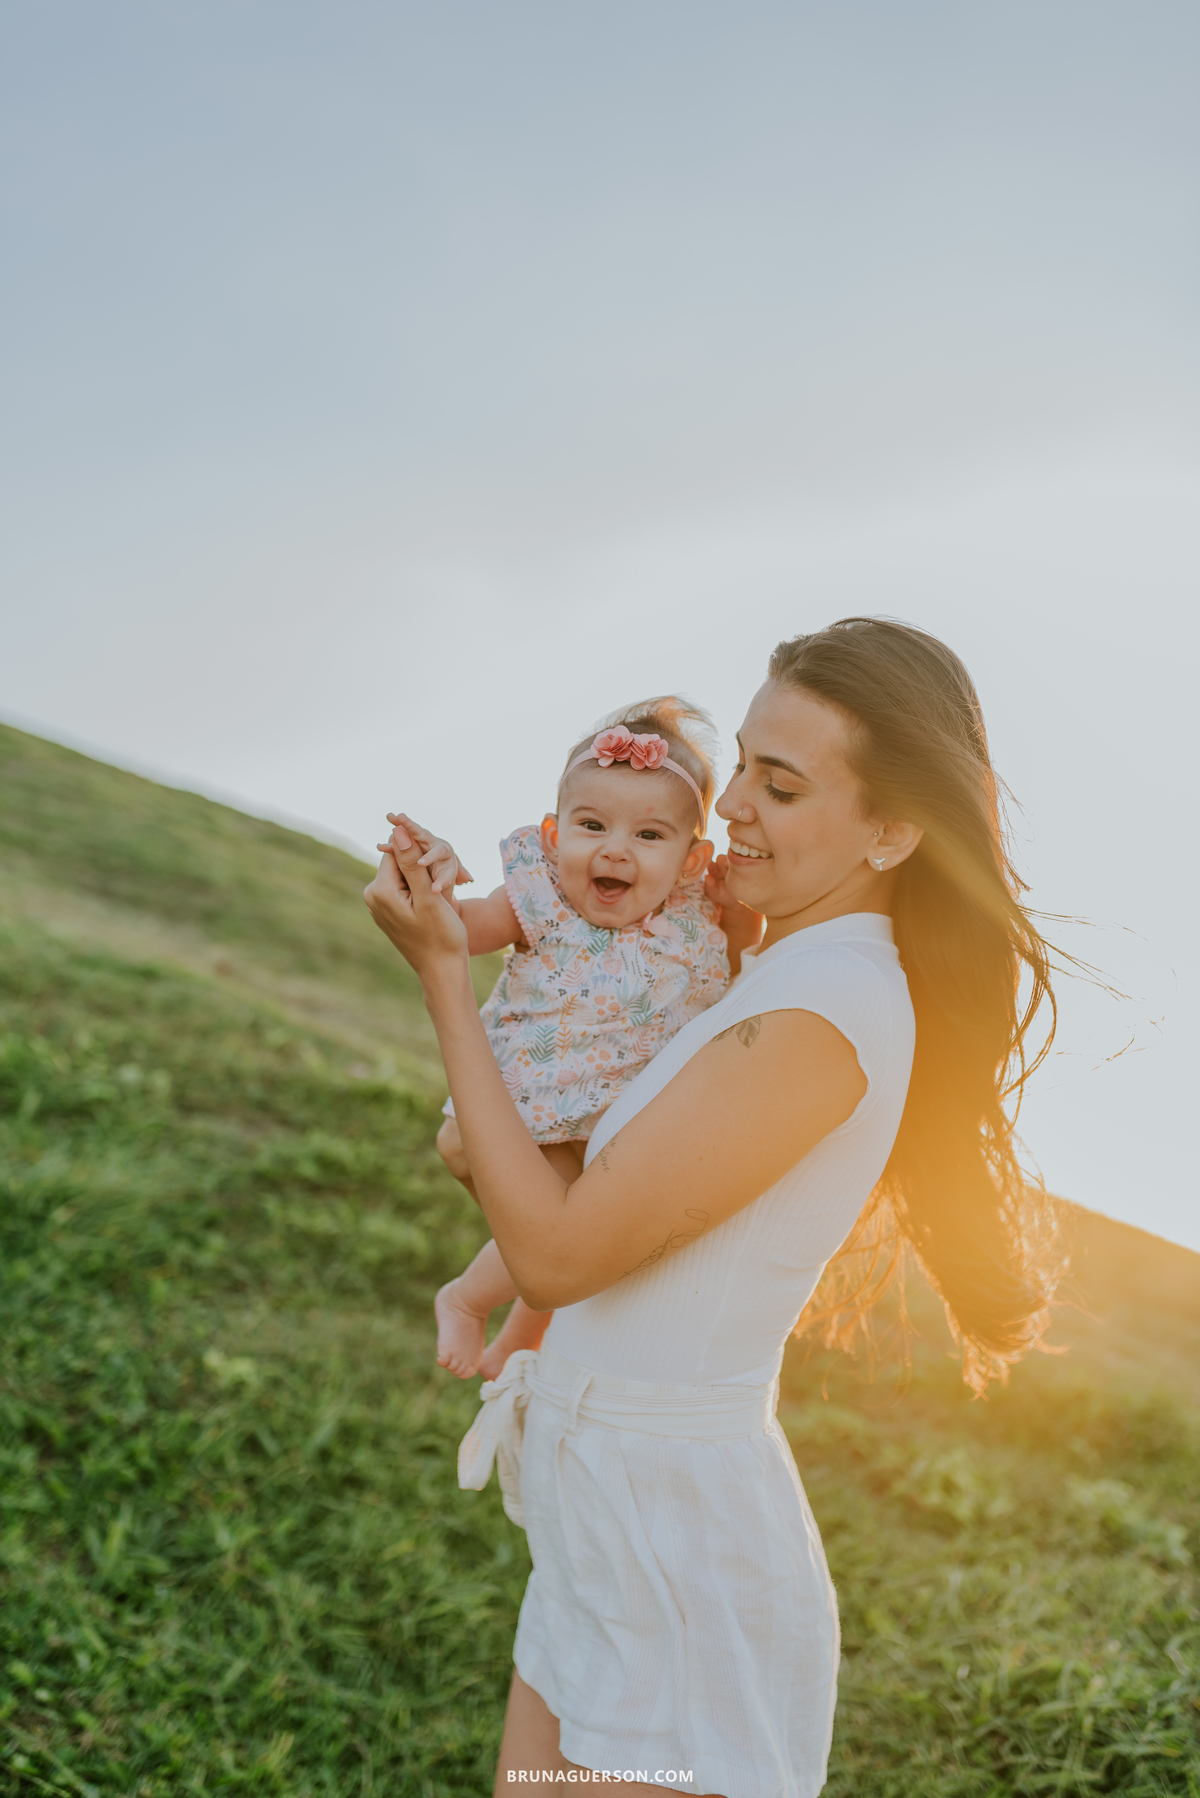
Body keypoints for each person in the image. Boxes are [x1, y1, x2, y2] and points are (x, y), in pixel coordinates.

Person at [365, 618, 1060, 1798]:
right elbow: (590, 1205)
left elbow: (557, 1252)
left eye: (779, 785)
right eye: (739, 764)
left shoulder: (824, 1008)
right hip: (608, 1510)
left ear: (893, 831)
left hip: (677, 1547)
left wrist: (443, 974)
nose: (729, 804)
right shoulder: (760, 970)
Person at [393, 696, 754, 1380]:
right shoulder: (541, 898)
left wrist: (741, 921)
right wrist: (430, 874)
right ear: (554, 837)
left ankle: (522, 1339)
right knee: (560, 1224)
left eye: (649, 835)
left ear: (690, 860)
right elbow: (459, 930)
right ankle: (466, 1300)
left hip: (616, 1119)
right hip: (532, 1105)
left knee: (582, 1240)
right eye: (593, 825)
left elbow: (736, 973)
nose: (615, 848)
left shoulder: (697, 915)